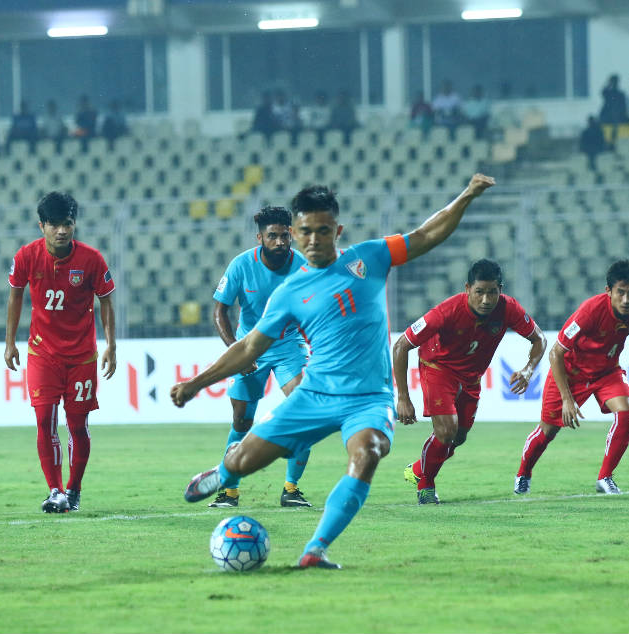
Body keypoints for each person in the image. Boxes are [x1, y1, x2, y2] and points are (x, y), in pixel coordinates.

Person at [172, 173, 496, 569]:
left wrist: (466, 195)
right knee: (243, 462)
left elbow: (426, 235)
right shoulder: (289, 292)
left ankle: (315, 549)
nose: (312, 240)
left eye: (322, 231)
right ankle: (224, 473)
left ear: (336, 230)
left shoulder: (370, 257)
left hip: (368, 399)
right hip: (314, 396)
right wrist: (197, 382)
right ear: (295, 231)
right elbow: (250, 347)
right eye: (305, 231)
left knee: (369, 451)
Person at [395, 259, 546, 504]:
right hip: (438, 368)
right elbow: (401, 345)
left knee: (459, 437)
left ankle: (418, 469)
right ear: (467, 288)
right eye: (479, 292)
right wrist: (403, 397)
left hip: (471, 377)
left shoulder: (508, 309)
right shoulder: (446, 311)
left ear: (501, 289)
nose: (486, 300)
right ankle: (426, 485)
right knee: (446, 431)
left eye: (492, 292)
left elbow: (539, 339)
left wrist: (528, 370)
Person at [4, 191, 117, 513]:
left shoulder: (92, 259)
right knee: (44, 420)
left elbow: (105, 299)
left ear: (74, 224)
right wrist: (10, 342)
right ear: (42, 226)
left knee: (77, 425)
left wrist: (110, 344)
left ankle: (74, 488)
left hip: (82, 355)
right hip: (43, 353)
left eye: (67, 223)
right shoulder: (27, 256)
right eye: (54, 224)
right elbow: (14, 296)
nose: (62, 231)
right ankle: (54, 490)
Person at [207, 206, 314, 509]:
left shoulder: (303, 267)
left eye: (285, 235)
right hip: (249, 346)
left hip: (288, 346)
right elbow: (219, 311)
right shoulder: (241, 265)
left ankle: (291, 490)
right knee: (242, 421)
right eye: (273, 236)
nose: (280, 242)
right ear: (260, 238)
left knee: (304, 411)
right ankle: (229, 492)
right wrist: (236, 351)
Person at [514, 259, 629, 496]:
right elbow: (556, 352)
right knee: (548, 431)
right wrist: (568, 399)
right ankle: (523, 473)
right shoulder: (590, 311)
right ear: (608, 291)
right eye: (621, 292)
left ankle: (605, 478)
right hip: (571, 373)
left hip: (607, 371)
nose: (627, 300)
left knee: (627, 412)